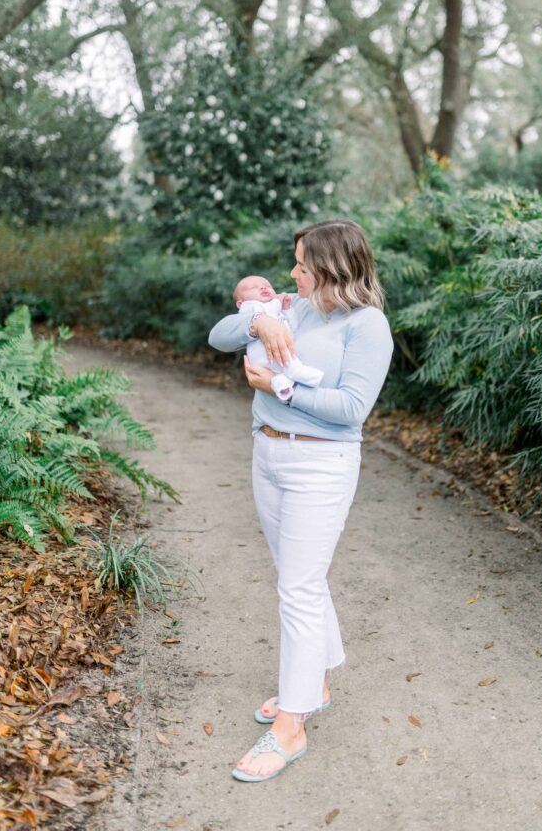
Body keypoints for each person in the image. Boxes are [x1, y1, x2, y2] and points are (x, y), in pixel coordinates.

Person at [208, 219, 394, 783]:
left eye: (302, 265)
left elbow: (350, 408)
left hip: (321, 464)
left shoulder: (367, 326)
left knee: (298, 587)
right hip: (269, 453)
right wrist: (259, 316)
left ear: (333, 269)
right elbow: (220, 337)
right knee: (298, 575)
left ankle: (291, 727)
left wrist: (279, 387)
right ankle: (315, 682)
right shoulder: (294, 307)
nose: (291, 273)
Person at [232, 274, 324, 399]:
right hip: (264, 353)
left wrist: (286, 309)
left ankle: (281, 388)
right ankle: (298, 371)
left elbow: (293, 326)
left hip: (273, 354)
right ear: (240, 302)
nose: (263, 288)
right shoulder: (249, 307)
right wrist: (277, 302)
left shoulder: (276, 307)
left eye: (267, 286)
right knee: (287, 362)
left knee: (281, 376)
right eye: (254, 287)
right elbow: (269, 312)